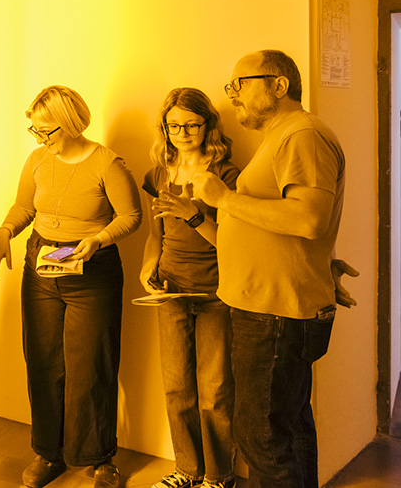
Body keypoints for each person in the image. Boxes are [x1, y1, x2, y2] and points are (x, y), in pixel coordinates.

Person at [190, 50, 346, 488]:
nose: (232, 95)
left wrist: (223, 198)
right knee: (289, 429)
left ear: (279, 85)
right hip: (272, 307)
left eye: (239, 84)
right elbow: (291, 225)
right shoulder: (284, 136)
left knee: (261, 436)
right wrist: (322, 265)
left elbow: (309, 218)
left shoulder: (302, 134)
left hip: (274, 315)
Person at [0, 85, 142, 488]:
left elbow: (131, 216)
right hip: (41, 264)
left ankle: (99, 457)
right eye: (35, 131)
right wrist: (5, 232)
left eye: (47, 131)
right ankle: (48, 453)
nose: (40, 139)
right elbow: (24, 206)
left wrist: (98, 240)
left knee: (92, 366)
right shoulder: (37, 160)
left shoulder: (106, 163)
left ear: (71, 124)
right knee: (43, 362)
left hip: (92, 270)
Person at [140, 88, 239, 488]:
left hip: (216, 293)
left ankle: (220, 475)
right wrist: (148, 267)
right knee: (177, 387)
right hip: (171, 291)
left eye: (191, 125)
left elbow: (231, 244)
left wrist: (193, 214)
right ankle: (188, 469)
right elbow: (155, 235)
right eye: (174, 126)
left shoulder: (226, 176)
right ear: (164, 128)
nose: (182, 133)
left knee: (214, 391)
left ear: (207, 125)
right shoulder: (158, 175)